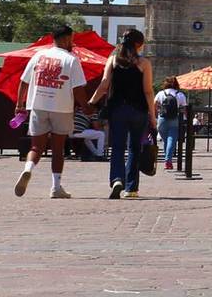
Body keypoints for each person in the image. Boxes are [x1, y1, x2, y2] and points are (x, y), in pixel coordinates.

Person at [14, 25, 87, 198]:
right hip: (61, 108)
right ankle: (56, 187)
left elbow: (24, 81)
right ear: (66, 39)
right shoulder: (71, 60)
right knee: (58, 149)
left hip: (38, 105)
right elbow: (78, 89)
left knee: (36, 147)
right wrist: (87, 107)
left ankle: (28, 169)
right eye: (72, 39)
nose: (72, 42)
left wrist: (19, 104)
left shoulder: (38, 55)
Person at [89, 29, 156, 199]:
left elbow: (104, 84)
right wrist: (153, 115)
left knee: (117, 147)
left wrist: (92, 101)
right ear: (139, 44)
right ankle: (131, 189)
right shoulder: (144, 63)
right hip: (138, 109)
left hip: (117, 109)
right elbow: (148, 91)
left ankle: (117, 179)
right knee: (134, 148)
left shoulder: (113, 60)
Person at [153, 76, 187, 169]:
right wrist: (187, 118)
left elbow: (154, 104)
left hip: (162, 119)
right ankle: (168, 161)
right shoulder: (180, 94)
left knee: (166, 141)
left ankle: (167, 160)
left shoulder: (161, 93)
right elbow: (184, 108)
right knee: (171, 140)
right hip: (175, 119)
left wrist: (156, 114)